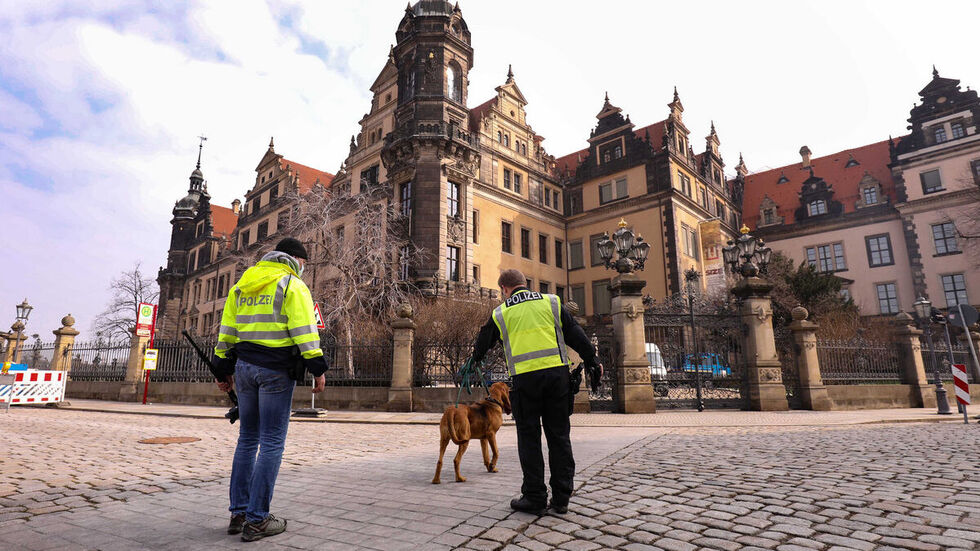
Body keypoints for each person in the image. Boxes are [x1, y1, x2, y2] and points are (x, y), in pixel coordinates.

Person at [212, 237, 328, 542]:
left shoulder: (242, 285)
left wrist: (222, 367)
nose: (303, 268)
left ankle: (238, 512)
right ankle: (258, 519)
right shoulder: (291, 285)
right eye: (303, 262)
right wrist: (317, 367)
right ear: (292, 259)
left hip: (245, 370)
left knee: (247, 439)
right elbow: (304, 331)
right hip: (276, 371)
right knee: (272, 442)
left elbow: (227, 331)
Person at [470, 268, 601, 516]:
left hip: (525, 382)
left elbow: (482, 342)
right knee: (559, 437)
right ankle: (561, 498)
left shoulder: (501, 312)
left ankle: (534, 497)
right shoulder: (551, 302)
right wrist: (592, 360)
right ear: (525, 284)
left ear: (505, 290)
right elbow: (576, 334)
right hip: (557, 379)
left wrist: (474, 359)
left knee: (529, 440)